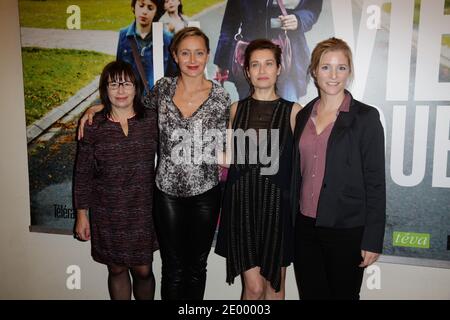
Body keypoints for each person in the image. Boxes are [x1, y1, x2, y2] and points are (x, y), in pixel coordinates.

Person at [78, 27, 230, 300]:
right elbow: (132, 107)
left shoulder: (221, 98)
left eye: (199, 52)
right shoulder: (163, 89)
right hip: (166, 194)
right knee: (171, 268)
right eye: (185, 52)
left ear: (208, 55)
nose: (192, 59)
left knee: (196, 267)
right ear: (175, 55)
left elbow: (227, 146)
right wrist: (98, 106)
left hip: (206, 194)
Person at [291, 37, 386, 300]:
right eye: (325, 67)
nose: (333, 75)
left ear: (349, 72)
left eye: (341, 67)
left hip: (347, 229)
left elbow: (375, 182)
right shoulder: (303, 115)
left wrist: (373, 238)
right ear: (313, 71)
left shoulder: (365, 118)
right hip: (306, 227)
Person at [215, 39, 302, 300]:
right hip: (242, 209)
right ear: (247, 71)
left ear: (278, 68)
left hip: (278, 210)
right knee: (252, 289)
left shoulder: (294, 112)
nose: (262, 70)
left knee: (273, 287)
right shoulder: (235, 110)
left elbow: (303, 163)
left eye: (268, 63)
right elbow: (228, 158)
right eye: (255, 64)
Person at [73, 60, 158, 300]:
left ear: (136, 88)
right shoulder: (92, 126)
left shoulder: (151, 120)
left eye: (126, 84)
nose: (120, 91)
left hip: (143, 209)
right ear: (105, 89)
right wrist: (82, 214)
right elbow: (82, 173)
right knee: (116, 268)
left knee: (143, 270)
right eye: (113, 85)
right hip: (107, 210)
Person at [214, 0, 322, 102]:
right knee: (252, 116)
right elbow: (230, 24)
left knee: (288, 114)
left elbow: (312, 7)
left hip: (288, 61)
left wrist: (299, 19)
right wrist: (222, 62)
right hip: (249, 62)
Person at [117, 0, 176, 91]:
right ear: (134, 7)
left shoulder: (167, 39)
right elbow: (118, 72)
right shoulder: (123, 35)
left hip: (156, 100)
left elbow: (173, 75)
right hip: (131, 100)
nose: (144, 12)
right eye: (141, 6)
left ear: (156, 12)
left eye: (150, 8)